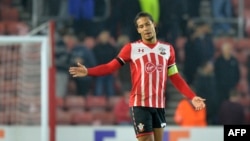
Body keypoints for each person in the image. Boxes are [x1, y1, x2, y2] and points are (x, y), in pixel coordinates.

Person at [69, 12, 206, 141]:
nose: (145, 28)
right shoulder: (131, 49)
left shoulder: (167, 49)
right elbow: (110, 67)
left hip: (159, 105)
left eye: (147, 24)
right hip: (140, 104)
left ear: (154, 25)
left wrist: (192, 96)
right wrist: (89, 71)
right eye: (141, 26)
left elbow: (175, 77)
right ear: (138, 30)